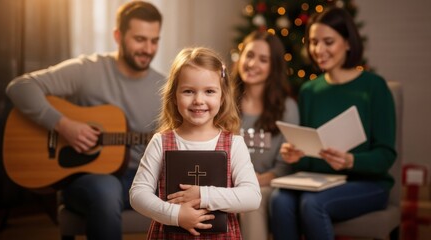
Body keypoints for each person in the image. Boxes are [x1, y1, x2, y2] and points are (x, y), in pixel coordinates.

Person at [5, 1, 165, 239]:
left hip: (140, 178)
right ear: (118, 36)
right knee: (106, 191)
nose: (148, 49)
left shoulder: (163, 87)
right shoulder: (87, 70)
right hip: (86, 179)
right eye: (140, 39)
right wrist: (63, 125)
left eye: (154, 41)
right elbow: (19, 87)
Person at [269, 7, 397, 240]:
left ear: (348, 43)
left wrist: (351, 160)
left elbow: (386, 155)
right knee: (279, 200)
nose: (319, 50)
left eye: (328, 42)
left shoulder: (374, 87)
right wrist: (297, 154)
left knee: (312, 203)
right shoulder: (310, 91)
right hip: (319, 181)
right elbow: (313, 155)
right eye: (314, 42)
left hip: (368, 184)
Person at [129, 47, 261, 239]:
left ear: (222, 97)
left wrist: (204, 195)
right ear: (174, 96)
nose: (199, 100)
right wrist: (176, 215)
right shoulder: (161, 142)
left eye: (209, 91)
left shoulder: (234, 144)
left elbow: (252, 197)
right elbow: (138, 194)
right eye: (189, 91)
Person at [231, 30, 299, 240]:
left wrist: (251, 182)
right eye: (249, 56)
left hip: (266, 185)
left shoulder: (288, 108)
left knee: (252, 201)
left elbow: (284, 166)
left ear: (273, 67)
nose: (252, 64)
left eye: (263, 59)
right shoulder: (224, 101)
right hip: (227, 184)